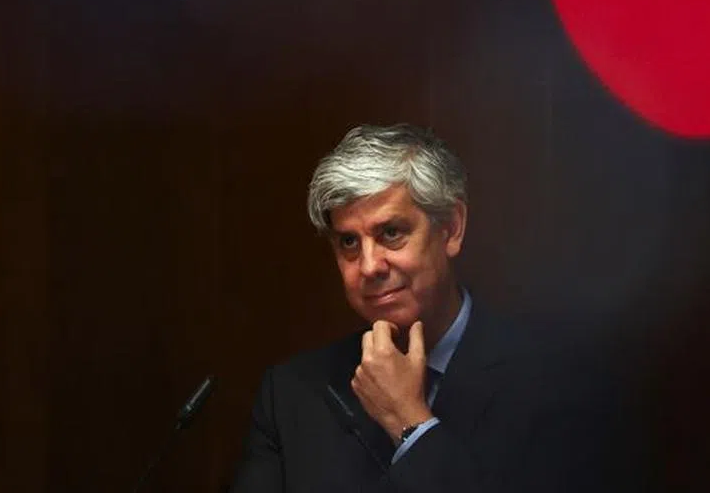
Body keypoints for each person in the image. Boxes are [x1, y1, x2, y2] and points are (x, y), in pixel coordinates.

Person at [229, 124, 640, 492]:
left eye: (391, 233)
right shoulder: (292, 394)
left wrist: (411, 425)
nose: (369, 266)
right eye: (348, 243)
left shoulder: (558, 382)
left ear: (451, 229)